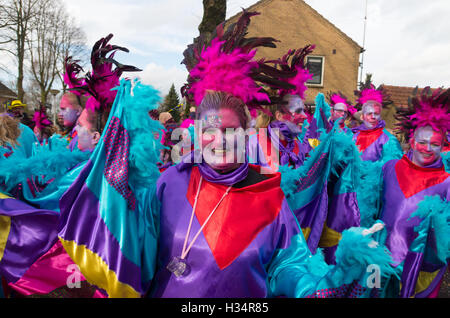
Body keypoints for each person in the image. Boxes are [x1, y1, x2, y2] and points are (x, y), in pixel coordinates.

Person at [365, 87, 450, 297]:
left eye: (435, 144)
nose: (427, 148)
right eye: (422, 142)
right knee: (371, 293)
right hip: (378, 255)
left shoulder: (447, 182)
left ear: (443, 146)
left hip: (417, 266)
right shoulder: (390, 168)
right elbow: (371, 204)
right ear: (411, 142)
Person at [248, 45, 315, 172]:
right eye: (298, 111)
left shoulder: (297, 146)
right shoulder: (256, 143)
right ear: (279, 116)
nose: (305, 116)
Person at [351, 84, 403, 162]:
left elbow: (393, 167)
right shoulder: (353, 137)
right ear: (362, 116)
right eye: (369, 113)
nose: (373, 117)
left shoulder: (388, 139)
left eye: (376, 114)